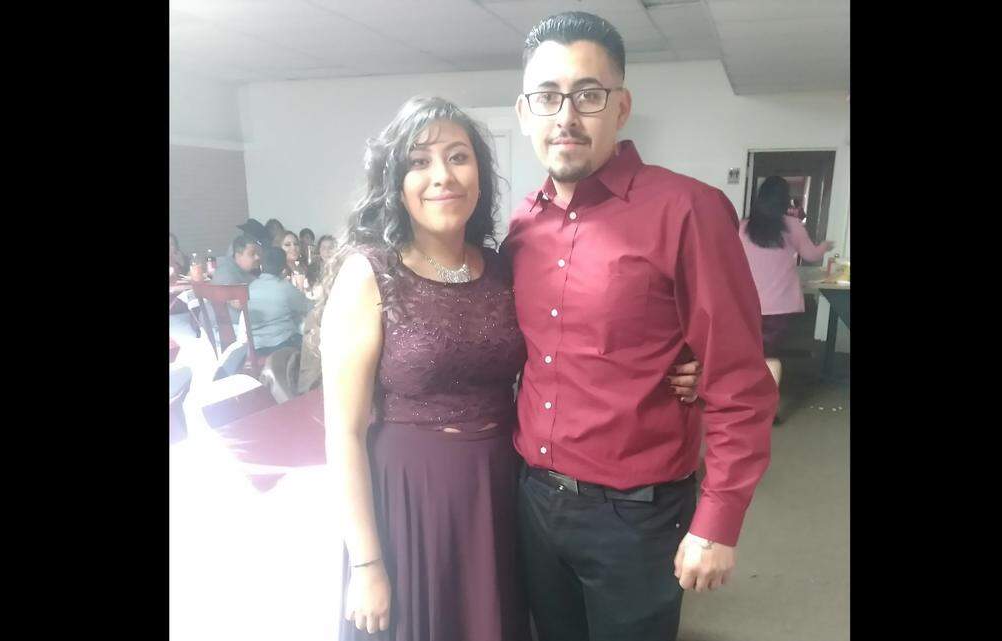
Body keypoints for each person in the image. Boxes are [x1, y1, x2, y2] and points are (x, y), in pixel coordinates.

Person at [502, 12, 776, 641]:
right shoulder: (522, 226)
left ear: (620, 108)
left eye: (587, 95)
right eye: (547, 97)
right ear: (524, 114)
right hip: (533, 499)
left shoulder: (688, 209)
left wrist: (718, 521)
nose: (565, 116)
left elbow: (740, 378)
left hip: (636, 513)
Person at [320, 96, 530, 641]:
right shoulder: (369, 274)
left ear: (479, 175)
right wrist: (366, 564)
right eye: (419, 161)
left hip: (499, 486)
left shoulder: (503, 267)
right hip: (411, 498)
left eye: (458, 157)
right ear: (395, 180)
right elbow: (342, 432)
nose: (442, 176)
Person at [740, 176, 834, 395]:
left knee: (747, 354)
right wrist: (824, 247)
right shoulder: (791, 225)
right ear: (785, 200)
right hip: (780, 305)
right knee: (770, 357)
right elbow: (810, 255)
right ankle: (768, 409)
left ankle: (745, 399)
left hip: (746, 303)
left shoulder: (743, 226)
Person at [247, 246, 313, 356]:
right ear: (283, 267)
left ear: (262, 265)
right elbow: (307, 306)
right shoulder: (284, 287)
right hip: (281, 346)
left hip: (255, 347)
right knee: (311, 341)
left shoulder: (250, 287)